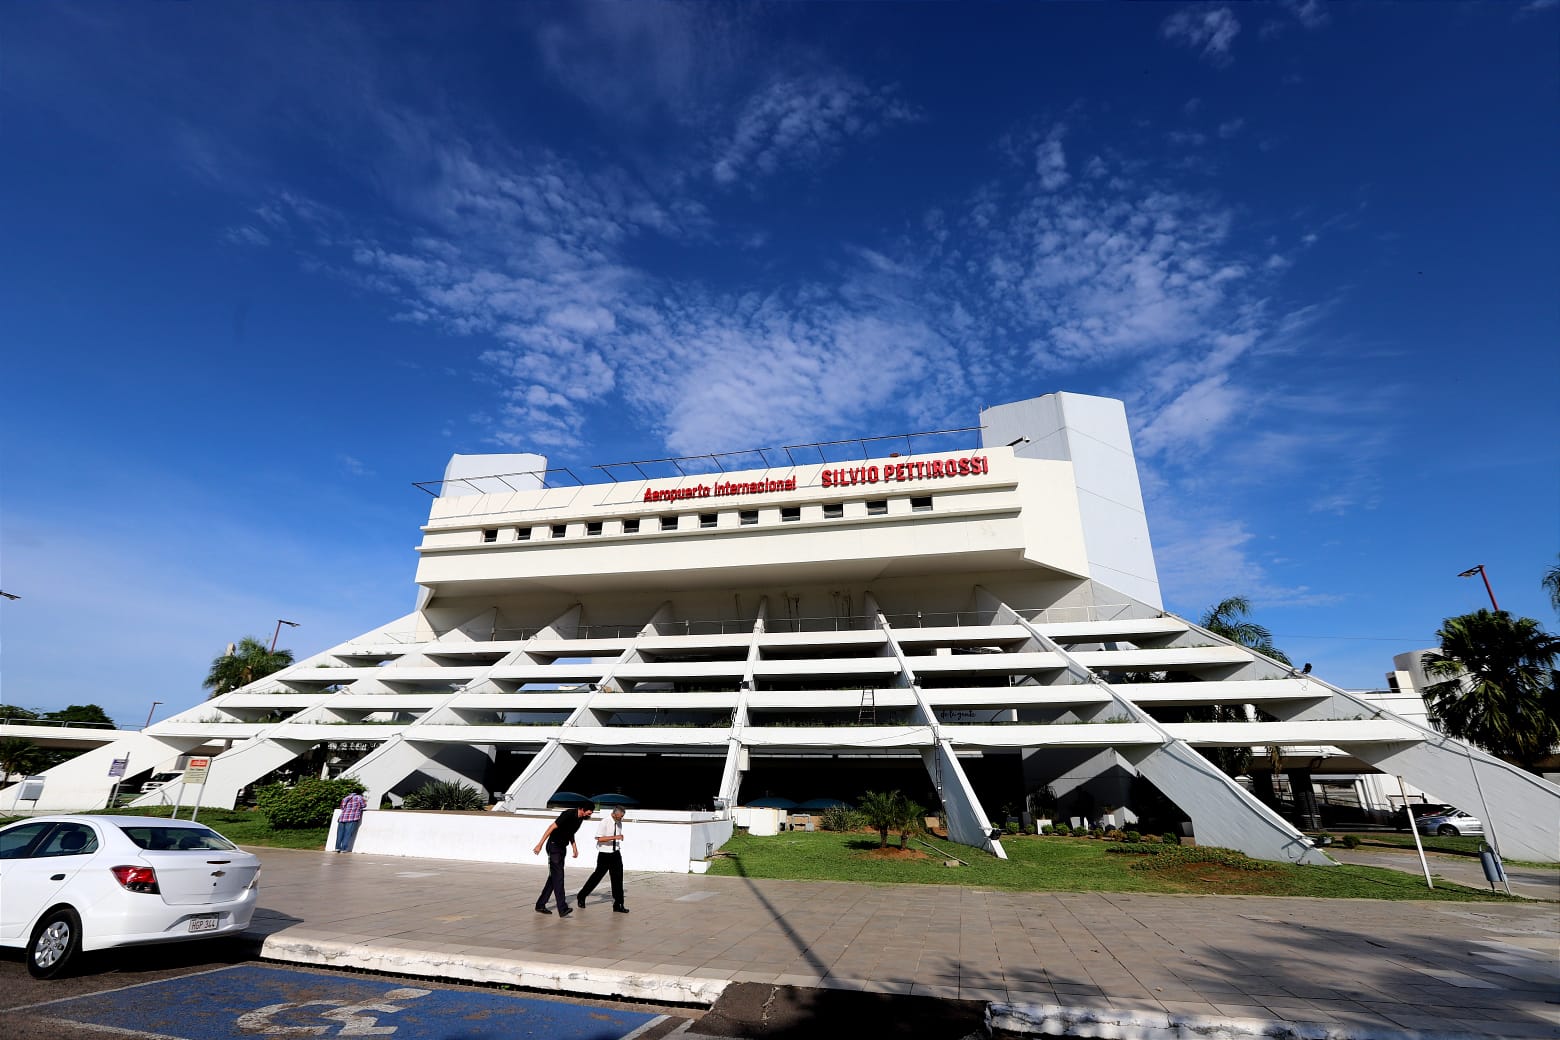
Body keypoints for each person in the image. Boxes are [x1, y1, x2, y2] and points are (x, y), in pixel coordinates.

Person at [532, 806, 593, 916]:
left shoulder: (580, 819)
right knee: (559, 876)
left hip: (562, 848)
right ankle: (562, 908)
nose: (589, 815)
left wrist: (574, 847)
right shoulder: (568, 814)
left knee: (553, 877)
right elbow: (551, 827)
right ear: (582, 809)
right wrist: (539, 844)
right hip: (553, 846)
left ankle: (540, 905)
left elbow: (571, 833)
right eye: (589, 813)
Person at [576, 806, 630, 913]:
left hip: (616, 854)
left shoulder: (619, 823)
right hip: (604, 855)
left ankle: (618, 904)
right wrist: (614, 838)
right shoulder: (604, 822)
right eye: (620, 816)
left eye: (622, 817)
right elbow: (599, 838)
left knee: (618, 879)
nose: (621, 819)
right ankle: (582, 895)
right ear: (614, 814)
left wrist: (617, 839)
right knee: (596, 877)